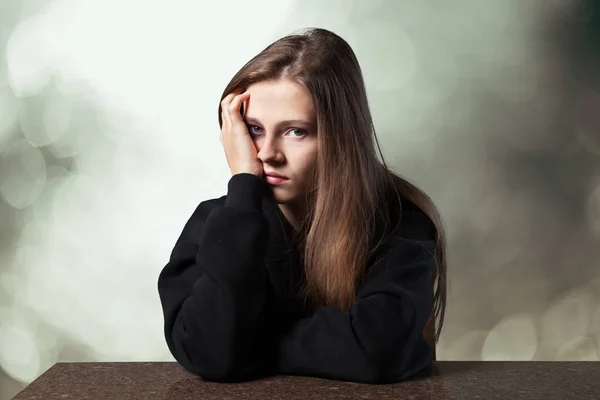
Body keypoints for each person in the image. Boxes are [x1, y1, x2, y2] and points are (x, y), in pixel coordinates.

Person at [157, 27, 447, 384]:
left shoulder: (399, 222)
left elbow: (376, 351)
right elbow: (209, 352)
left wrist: (249, 345)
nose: (267, 154)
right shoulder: (217, 223)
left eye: (296, 131)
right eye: (254, 129)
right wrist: (243, 191)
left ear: (341, 138)